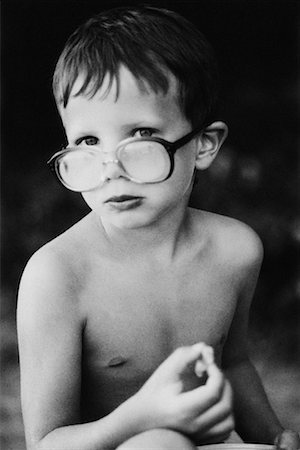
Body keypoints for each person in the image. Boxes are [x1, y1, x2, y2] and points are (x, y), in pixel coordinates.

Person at [17, 5, 299, 450]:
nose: (113, 169)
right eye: (88, 141)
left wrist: (275, 435)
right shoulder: (58, 275)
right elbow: (46, 442)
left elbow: (234, 363)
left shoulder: (235, 250)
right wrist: (142, 416)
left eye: (142, 135)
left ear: (204, 145)